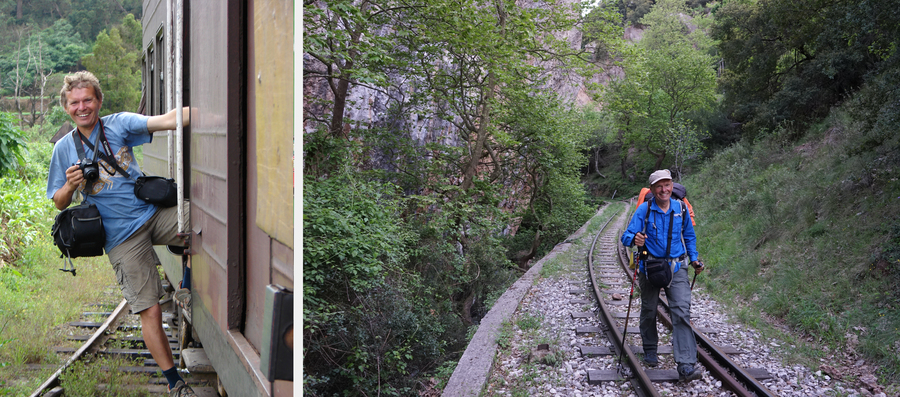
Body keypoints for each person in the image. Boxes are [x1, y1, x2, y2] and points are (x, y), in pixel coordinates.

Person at [46, 71, 196, 397]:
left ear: (98, 101)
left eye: (88, 100)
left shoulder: (118, 124)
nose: (82, 107)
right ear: (66, 108)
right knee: (149, 308)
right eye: (75, 103)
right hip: (120, 237)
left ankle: (185, 277)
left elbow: (167, 120)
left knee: (202, 219)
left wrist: (209, 111)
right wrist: (71, 185)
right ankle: (176, 384)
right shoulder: (63, 149)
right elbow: (58, 203)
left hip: (154, 213)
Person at [620, 169, 705, 382]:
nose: (664, 189)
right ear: (653, 189)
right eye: (659, 186)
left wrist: (694, 259)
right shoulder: (644, 210)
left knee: (681, 312)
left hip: (677, 268)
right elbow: (626, 236)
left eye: (667, 185)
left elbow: (689, 236)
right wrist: (635, 239)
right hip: (651, 267)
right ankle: (650, 349)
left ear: (672, 186)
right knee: (649, 309)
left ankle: (686, 365)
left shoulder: (682, 209)